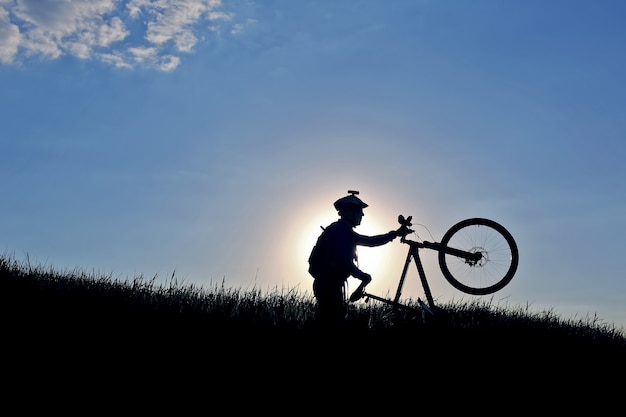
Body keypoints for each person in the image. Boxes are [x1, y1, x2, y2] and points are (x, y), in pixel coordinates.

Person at [308, 190, 410, 328]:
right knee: (330, 323)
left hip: (331, 283)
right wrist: (363, 276)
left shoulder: (344, 230)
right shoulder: (340, 231)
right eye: (359, 211)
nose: (362, 214)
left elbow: (370, 241)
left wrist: (395, 234)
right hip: (328, 284)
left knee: (331, 320)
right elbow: (343, 261)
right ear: (349, 212)